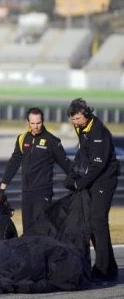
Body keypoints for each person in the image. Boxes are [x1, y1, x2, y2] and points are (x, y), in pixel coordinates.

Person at [65, 98, 121, 282]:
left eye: (78, 119)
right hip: (93, 178)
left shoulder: (99, 131)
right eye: (73, 119)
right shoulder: (82, 127)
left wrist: (79, 184)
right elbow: (83, 152)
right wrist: (73, 173)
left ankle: (104, 270)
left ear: (87, 115)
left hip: (105, 179)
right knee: (90, 222)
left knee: (97, 221)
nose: (75, 122)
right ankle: (110, 268)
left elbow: (98, 166)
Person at [0, 107, 73, 232]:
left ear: (43, 122)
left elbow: (67, 165)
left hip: (43, 193)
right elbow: (13, 164)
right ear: (27, 122)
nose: (36, 126)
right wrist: (2, 188)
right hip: (26, 192)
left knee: (41, 229)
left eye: (38, 123)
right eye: (32, 123)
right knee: (28, 230)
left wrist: (78, 183)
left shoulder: (52, 141)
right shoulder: (22, 139)